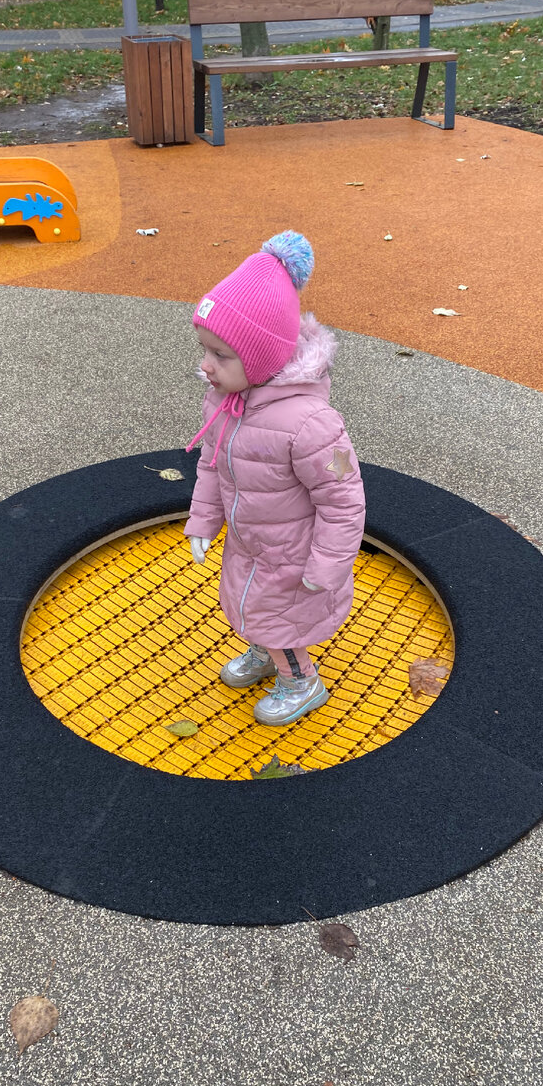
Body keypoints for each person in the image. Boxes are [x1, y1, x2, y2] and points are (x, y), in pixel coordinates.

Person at [184, 231, 366, 726]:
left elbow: (344, 500)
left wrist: (327, 566)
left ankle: (302, 682)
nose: (206, 365)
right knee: (250, 606)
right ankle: (266, 651)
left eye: (221, 355)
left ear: (262, 358)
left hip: (294, 554)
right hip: (251, 542)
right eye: (205, 349)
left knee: (274, 617)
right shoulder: (224, 401)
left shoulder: (312, 424)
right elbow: (212, 462)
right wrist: (204, 520)